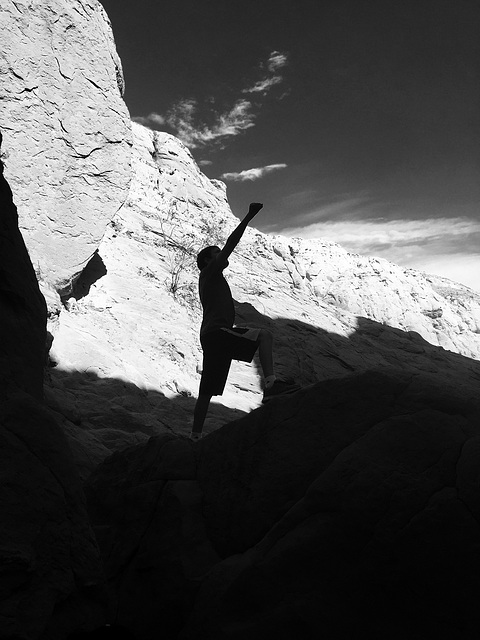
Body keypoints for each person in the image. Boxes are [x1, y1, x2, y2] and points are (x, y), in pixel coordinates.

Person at [191, 202, 298, 440]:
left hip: (210, 336)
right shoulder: (209, 273)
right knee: (264, 336)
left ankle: (194, 436)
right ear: (208, 261)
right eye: (216, 253)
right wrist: (249, 216)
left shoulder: (209, 279)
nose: (221, 255)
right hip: (217, 332)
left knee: (206, 391)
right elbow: (231, 243)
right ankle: (270, 385)